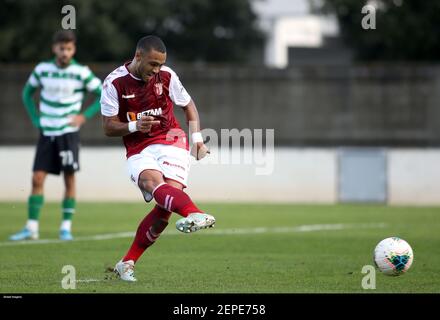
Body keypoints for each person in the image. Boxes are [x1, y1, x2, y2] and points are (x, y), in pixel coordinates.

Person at [100, 35, 215, 282]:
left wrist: (196, 139)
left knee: (164, 209)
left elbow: (188, 105)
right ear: (138, 56)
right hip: (138, 147)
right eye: (153, 64)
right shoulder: (114, 83)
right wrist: (134, 126)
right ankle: (194, 212)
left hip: (171, 140)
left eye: (161, 64)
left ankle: (127, 262)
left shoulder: (167, 76)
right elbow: (108, 127)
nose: (156, 70)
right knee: (152, 184)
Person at [9, 30, 102, 241]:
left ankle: (65, 228)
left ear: (73, 49)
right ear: (54, 48)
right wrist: (35, 118)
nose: (65, 53)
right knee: (37, 178)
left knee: (69, 178)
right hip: (47, 132)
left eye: (69, 49)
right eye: (61, 48)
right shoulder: (42, 70)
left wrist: (84, 116)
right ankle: (31, 228)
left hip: (68, 133)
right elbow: (26, 93)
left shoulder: (81, 72)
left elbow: (102, 94)